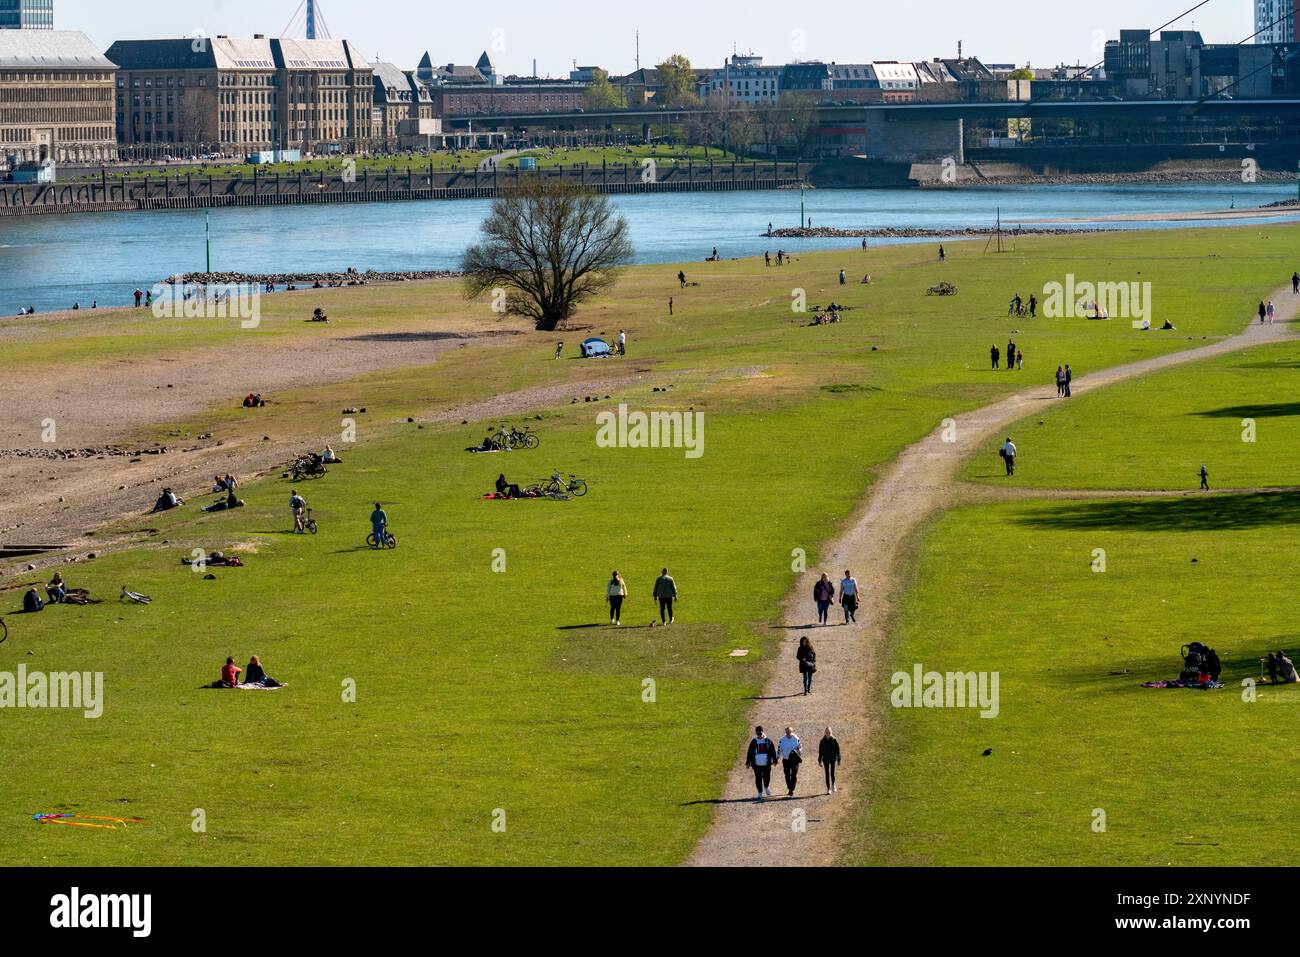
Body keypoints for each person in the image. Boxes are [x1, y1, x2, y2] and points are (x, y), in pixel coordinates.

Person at [745, 726, 778, 801]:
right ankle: (760, 792)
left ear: (763, 732)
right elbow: (749, 752)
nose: (759, 735)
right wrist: (748, 762)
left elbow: (772, 751)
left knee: (767, 777)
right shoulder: (754, 741)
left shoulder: (768, 741)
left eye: (760, 733)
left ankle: (766, 787)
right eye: (758, 734)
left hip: (766, 764)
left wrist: (775, 760)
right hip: (756, 765)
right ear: (756, 733)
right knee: (758, 778)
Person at [778, 726, 802, 796]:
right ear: (785, 732)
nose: (788, 733)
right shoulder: (782, 739)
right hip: (786, 760)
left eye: (790, 732)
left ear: (792, 732)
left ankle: (791, 789)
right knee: (787, 775)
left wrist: (797, 751)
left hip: (794, 760)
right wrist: (777, 758)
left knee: (794, 775)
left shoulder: (796, 738)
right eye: (787, 732)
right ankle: (789, 787)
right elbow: (779, 749)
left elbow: (800, 747)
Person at [818, 727, 841, 795]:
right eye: (827, 732)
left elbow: (838, 751)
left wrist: (839, 759)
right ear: (825, 733)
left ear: (831, 732)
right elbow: (820, 752)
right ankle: (828, 789)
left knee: (832, 773)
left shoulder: (834, 740)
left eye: (829, 732)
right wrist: (819, 760)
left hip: (833, 759)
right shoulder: (822, 741)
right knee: (827, 774)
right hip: (825, 759)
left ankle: (833, 784)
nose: (828, 734)